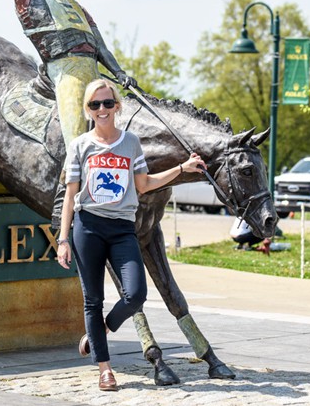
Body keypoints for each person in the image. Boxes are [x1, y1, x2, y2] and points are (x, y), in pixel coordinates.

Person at [56, 79, 204, 392]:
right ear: (88, 109)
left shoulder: (130, 143)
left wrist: (182, 168)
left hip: (123, 228)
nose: (102, 110)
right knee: (92, 300)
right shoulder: (80, 146)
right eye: (95, 105)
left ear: (117, 106)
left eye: (108, 103)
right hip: (88, 227)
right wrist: (63, 238)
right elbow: (70, 196)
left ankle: (105, 328)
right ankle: (104, 369)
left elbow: (145, 184)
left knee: (135, 294)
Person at [13, 0, 136, 228]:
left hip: (95, 73)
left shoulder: (79, 7)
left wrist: (121, 74)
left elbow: (102, 47)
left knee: (122, 130)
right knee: (77, 142)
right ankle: (61, 206)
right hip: (64, 73)